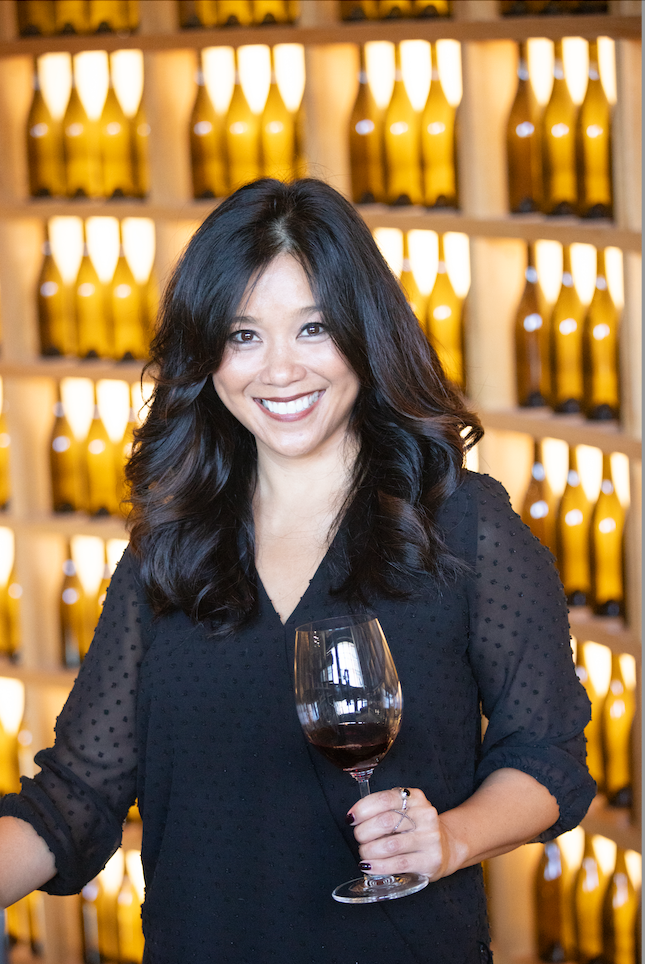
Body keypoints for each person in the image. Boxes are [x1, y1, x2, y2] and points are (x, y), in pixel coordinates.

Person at [0, 178, 595, 963]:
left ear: (362, 333)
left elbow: (545, 755)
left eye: (311, 329)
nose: (278, 371)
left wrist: (447, 840)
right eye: (243, 336)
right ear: (206, 353)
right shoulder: (169, 547)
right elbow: (77, 799)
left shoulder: (462, 524)